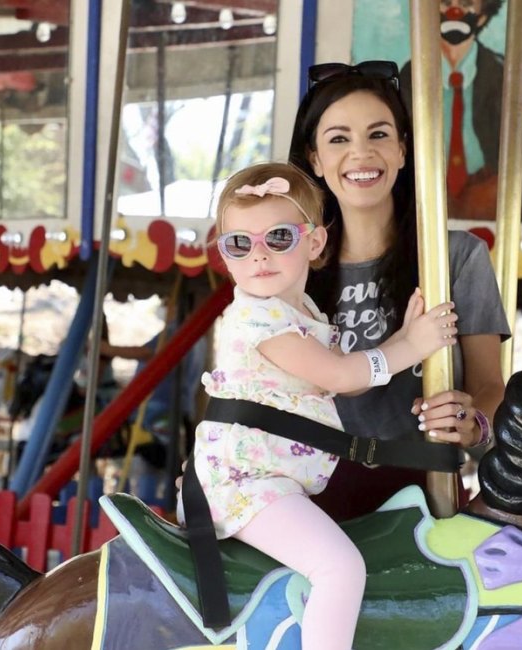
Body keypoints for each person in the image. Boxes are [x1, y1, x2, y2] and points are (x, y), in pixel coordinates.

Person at [195, 161, 458, 649]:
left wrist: (401, 338)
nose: (258, 255)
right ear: (224, 255)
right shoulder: (257, 320)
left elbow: (344, 384)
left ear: (314, 244)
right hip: (248, 487)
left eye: (278, 237)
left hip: (272, 481)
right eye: (238, 243)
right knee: (339, 567)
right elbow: (340, 374)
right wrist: (412, 348)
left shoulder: (302, 313)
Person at [288, 59, 511, 520]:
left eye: (379, 134)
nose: (361, 153)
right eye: (338, 139)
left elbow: (489, 384)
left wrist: (472, 423)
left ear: (404, 150)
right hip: (304, 488)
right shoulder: (293, 264)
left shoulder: (456, 258)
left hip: (421, 485)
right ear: (315, 158)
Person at [398, 0, 522, 221]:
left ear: (482, 16)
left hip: (490, 199)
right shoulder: (407, 78)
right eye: (445, 3)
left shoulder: (504, 76)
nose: (455, 12)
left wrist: (496, 188)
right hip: (423, 202)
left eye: (466, 4)